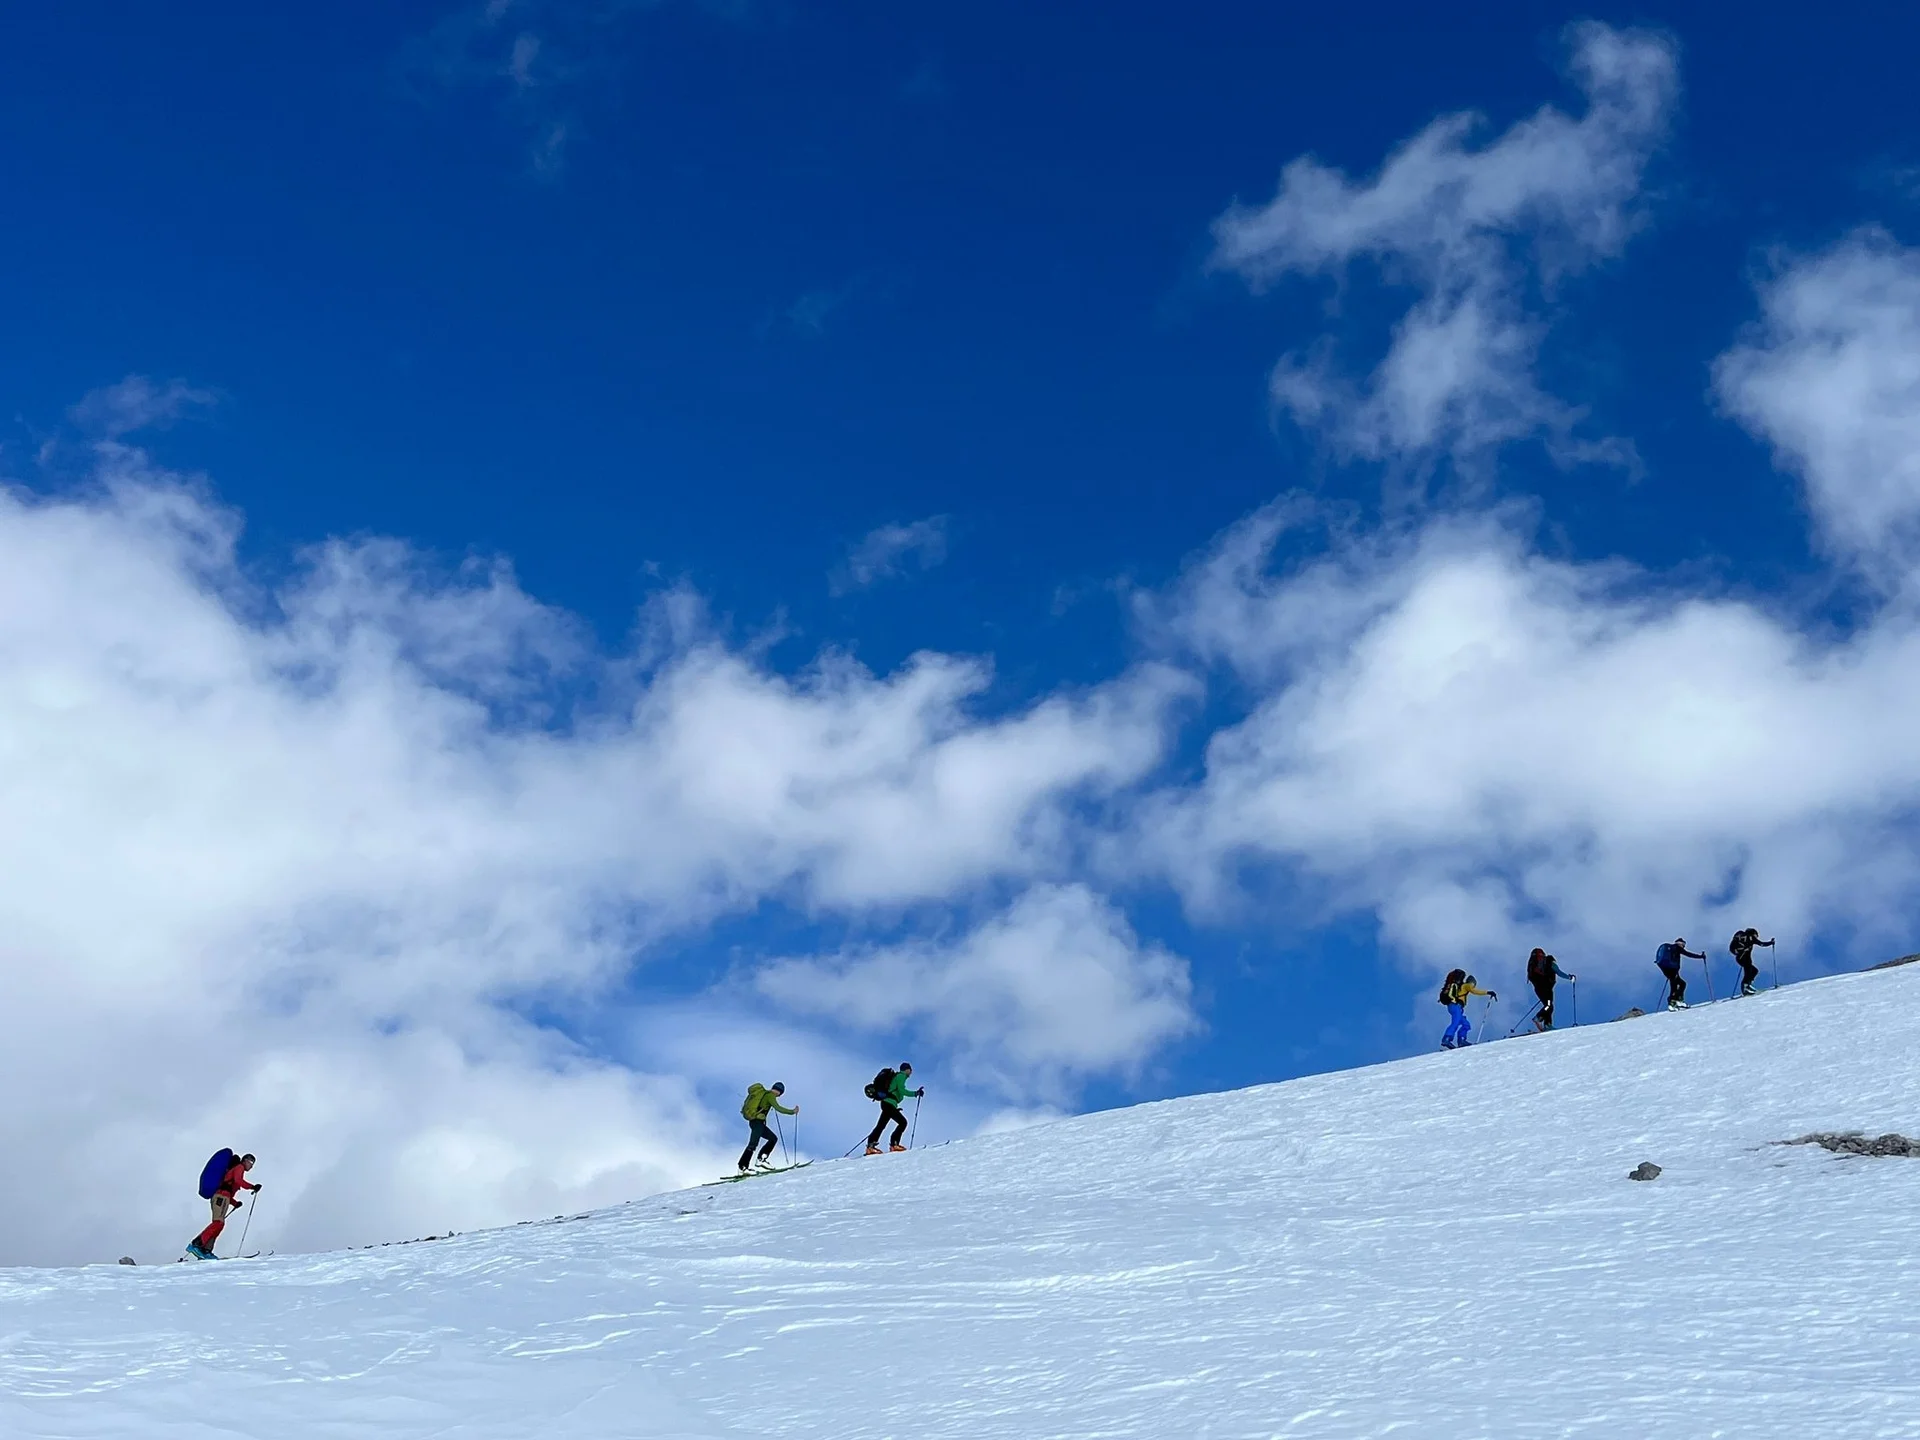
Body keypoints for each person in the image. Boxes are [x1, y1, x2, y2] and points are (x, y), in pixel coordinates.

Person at [187, 1152, 260, 1260]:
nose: (251, 1166)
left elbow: (229, 1190)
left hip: (223, 1197)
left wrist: (235, 1203)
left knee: (220, 1224)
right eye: (251, 1162)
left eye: (253, 1164)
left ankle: (206, 1250)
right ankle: (196, 1244)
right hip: (220, 1197)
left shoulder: (236, 1170)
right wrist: (252, 1187)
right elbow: (238, 1181)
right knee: (218, 1223)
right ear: (245, 1160)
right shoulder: (239, 1167)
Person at [864, 1062, 924, 1155]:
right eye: (910, 1070)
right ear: (907, 1070)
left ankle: (871, 1146)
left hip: (887, 1104)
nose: (911, 1073)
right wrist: (916, 1093)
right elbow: (902, 1090)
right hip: (889, 1104)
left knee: (881, 1125)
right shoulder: (901, 1076)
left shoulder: (897, 1076)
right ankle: (894, 1144)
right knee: (903, 1122)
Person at [737, 1081, 797, 1173]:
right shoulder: (770, 1095)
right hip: (757, 1123)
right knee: (753, 1144)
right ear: (779, 1092)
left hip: (755, 1122)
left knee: (772, 1139)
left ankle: (760, 1159)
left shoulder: (765, 1094)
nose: (778, 1096)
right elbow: (779, 1108)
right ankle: (743, 1167)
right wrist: (792, 1111)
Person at [1438, 971, 1496, 1049]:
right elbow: (1475, 991)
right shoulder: (1467, 985)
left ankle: (1461, 1040)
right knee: (1455, 1022)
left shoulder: (1461, 986)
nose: (1473, 986)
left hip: (1455, 1007)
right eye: (1473, 984)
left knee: (1466, 1024)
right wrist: (1488, 992)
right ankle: (1447, 1038)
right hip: (1456, 1006)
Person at [1526, 948, 1577, 1031]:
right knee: (1549, 1005)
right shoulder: (1550, 961)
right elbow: (1559, 972)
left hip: (1538, 988)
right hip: (1546, 988)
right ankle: (1539, 1017)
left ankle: (1547, 1024)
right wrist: (1569, 977)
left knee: (1548, 1005)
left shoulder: (1535, 964)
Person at [1656, 938, 1705, 1010]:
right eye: (1683, 945)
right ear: (1681, 943)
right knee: (1678, 985)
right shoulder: (1678, 948)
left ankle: (1675, 1001)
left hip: (1666, 969)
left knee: (1679, 983)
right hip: (1672, 970)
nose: (1683, 946)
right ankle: (1675, 1001)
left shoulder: (1670, 949)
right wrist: (1701, 956)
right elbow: (1688, 954)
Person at [1729, 928, 1776, 996]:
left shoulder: (1743, 936)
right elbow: (1761, 944)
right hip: (1743, 957)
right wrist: (1771, 943)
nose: (1756, 937)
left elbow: (1761, 944)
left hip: (1740, 958)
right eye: (1756, 935)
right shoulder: (1750, 938)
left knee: (1754, 970)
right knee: (1748, 969)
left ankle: (1748, 985)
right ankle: (1745, 987)